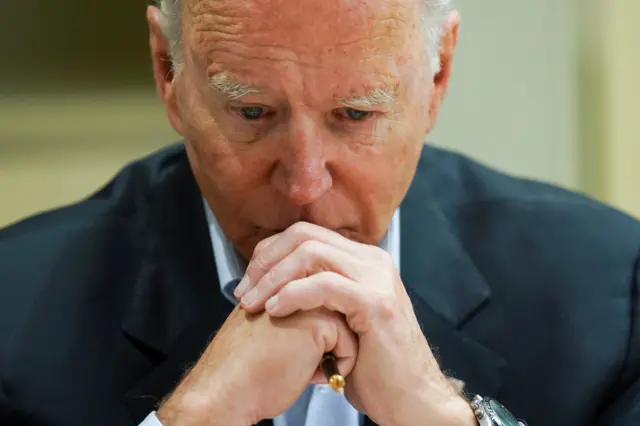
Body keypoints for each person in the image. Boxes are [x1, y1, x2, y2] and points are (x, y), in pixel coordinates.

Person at [1, 0, 639, 425]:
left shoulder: (613, 293)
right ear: (169, 72)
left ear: (439, 73)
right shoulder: (13, 313)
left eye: (355, 115)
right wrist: (193, 418)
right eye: (253, 112)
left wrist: (439, 413)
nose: (305, 185)